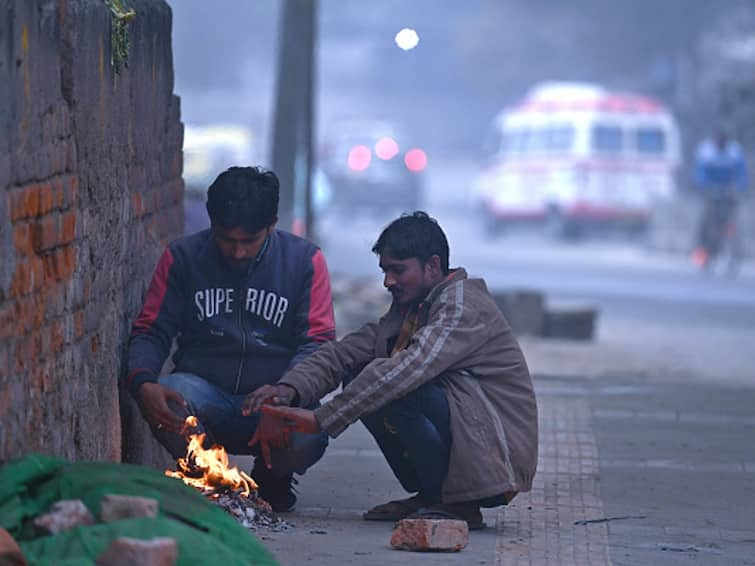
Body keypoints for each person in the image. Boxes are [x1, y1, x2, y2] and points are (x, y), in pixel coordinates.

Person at [244, 211, 538, 530]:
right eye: (385, 271)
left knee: (399, 385)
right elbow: (345, 351)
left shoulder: (462, 305)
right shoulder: (411, 309)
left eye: (398, 271)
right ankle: (432, 496)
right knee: (361, 375)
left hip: (498, 458)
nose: (388, 282)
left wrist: (322, 419)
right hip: (471, 443)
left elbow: (409, 368)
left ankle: (457, 504)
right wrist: (289, 390)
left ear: (433, 266)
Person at [126, 166, 335, 512]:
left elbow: (319, 343)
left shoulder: (305, 261)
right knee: (173, 394)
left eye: (248, 242)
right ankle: (213, 484)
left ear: (271, 226)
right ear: (212, 224)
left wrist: (285, 394)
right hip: (207, 392)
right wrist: (142, 381)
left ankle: (272, 479)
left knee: (310, 433)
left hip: (274, 399)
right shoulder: (182, 257)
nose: (237, 253)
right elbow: (151, 330)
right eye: (227, 240)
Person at [692, 130, 749, 273]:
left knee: (733, 224)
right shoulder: (707, 151)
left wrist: (739, 186)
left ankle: (735, 257)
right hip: (712, 192)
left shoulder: (734, 152)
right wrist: (705, 186)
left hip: (729, 193)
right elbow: (700, 173)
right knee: (706, 223)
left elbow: (742, 173)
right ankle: (703, 256)